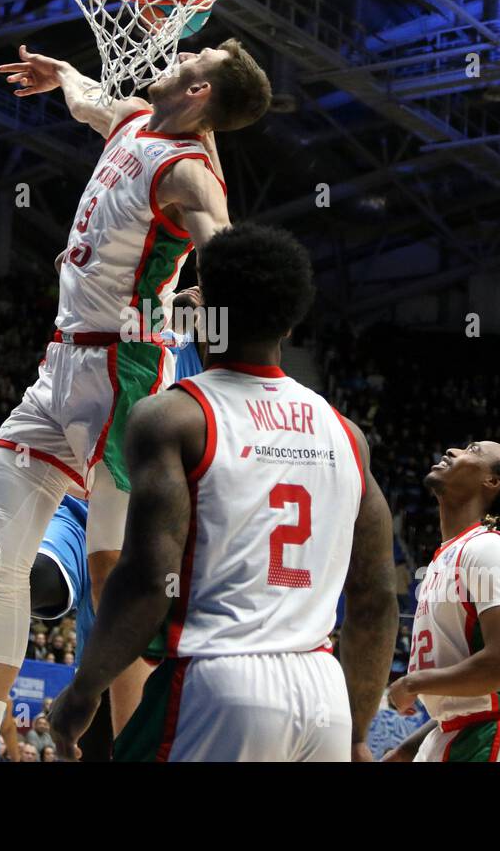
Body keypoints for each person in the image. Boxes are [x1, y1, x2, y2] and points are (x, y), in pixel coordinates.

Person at [0, 39, 272, 757]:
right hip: (63, 356)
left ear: (200, 96)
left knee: (102, 566)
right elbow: (89, 102)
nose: (177, 56)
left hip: (122, 370)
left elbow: (229, 250)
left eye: (193, 58)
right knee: (10, 554)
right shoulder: (135, 118)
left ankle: (114, 739)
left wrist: (204, 306)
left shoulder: (191, 173)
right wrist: (63, 76)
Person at [50, 223, 395, 761]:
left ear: (208, 307)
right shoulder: (346, 434)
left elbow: (146, 582)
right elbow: (375, 600)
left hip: (217, 683)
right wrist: (354, 731)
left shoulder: (173, 416)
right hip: (322, 692)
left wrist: (84, 689)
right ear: (290, 314)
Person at [382, 440, 500, 762]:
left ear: (493, 482)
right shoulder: (452, 552)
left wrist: (414, 682)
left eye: (473, 451)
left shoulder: (488, 549)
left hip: (491, 736)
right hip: (458, 730)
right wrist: (407, 750)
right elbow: (470, 696)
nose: (453, 451)